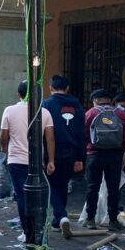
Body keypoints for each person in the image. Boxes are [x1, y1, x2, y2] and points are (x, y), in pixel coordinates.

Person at [0, 80, 56, 240]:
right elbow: (50, 138)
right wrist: (51, 160)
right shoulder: (44, 112)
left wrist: (5, 147)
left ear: (19, 94)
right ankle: (38, 230)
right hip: (37, 162)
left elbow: (4, 136)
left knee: (22, 196)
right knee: (39, 197)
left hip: (16, 160)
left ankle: (28, 232)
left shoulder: (9, 110)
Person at [41, 75, 85, 233]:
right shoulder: (77, 106)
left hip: (52, 151)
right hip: (72, 151)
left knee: (51, 184)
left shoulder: (46, 104)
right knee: (63, 184)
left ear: (51, 87)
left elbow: (42, 131)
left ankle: (61, 215)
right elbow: (82, 133)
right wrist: (80, 157)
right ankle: (57, 221)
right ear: (67, 88)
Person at [84, 89, 125, 231]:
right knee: (113, 189)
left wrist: (89, 148)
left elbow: (84, 134)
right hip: (115, 155)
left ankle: (90, 219)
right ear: (110, 100)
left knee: (93, 187)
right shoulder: (121, 114)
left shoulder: (91, 113)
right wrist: (121, 151)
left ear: (96, 100)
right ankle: (112, 220)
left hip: (95, 155)